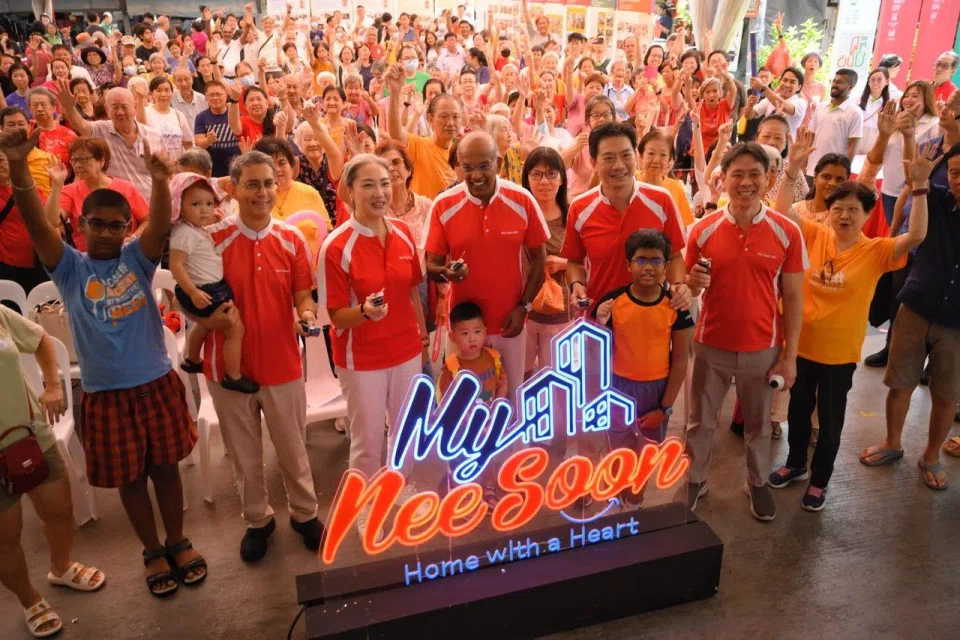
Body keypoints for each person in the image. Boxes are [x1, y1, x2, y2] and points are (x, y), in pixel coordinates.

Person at [2, 128, 207, 597]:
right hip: (105, 394)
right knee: (131, 480)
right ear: (82, 225)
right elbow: (36, 226)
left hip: (155, 382)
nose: (109, 232)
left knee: (166, 470)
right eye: (98, 223)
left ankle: (178, 539)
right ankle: (153, 549)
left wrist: (159, 182)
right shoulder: (69, 267)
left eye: (117, 225)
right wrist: (18, 166)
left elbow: (157, 227)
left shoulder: (137, 258)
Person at [770, 130, 932, 510]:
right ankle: (796, 466)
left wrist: (920, 188)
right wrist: (792, 167)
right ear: (828, 211)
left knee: (828, 420)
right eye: (837, 208)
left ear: (867, 215)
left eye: (853, 210)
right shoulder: (814, 235)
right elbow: (783, 212)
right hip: (800, 346)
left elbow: (918, 235)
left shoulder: (877, 252)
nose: (843, 215)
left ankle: (820, 480)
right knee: (796, 411)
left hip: (839, 355)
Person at [198, 151, 324, 562]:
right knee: (245, 456)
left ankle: (305, 514)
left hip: (283, 363)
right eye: (252, 184)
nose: (263, 192)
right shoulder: (211, 240)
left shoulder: (291, 240)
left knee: (293, 448)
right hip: (227, 369)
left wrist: (305, 314)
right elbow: (190, 297)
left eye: (268, 183)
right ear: (233, 190)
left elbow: (303, 295)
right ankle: (258, 520)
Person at [684, 142, 807, 522]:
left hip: (762, 348)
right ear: (723, 180)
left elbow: (794, 299)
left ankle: (757, 482)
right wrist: (691, 281)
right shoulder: (702, 230)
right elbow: (688, 286)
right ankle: (694, 478)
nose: (746, 182)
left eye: (755, 173)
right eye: (737, 174)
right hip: (710, 344)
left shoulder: (787, 232)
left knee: (758, 424)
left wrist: (789, 358)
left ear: (768, 179)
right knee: (700, 421)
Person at [318, 154, 429, 535]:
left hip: (406, 350)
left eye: (385, 183)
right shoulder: (336, 247)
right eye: (368, 185)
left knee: (405, 428)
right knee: (367, 440)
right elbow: (334, 316)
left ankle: (399, 486)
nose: (380, 192)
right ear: (348, 193)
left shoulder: (401, 233)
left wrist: (423, 334)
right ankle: (364, 505)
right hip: (360, 357)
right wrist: (363, 313)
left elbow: (412, 289)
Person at [0, 305, 106, 638]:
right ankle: (29, 599)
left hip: (30, 436)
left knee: (60, 510)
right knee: (5, 538)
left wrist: (53, 385)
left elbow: (41, 339)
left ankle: (61, 567)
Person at [859, 145, 960, 490]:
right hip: (916, 305)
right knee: (899, 382)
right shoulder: (936, 198)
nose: (959, 180)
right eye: (956, 172)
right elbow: (908, 205)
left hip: (957, 322)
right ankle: (892, 442)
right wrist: (914, 180)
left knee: (946, 394)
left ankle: (931, 456)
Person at [424, 131, 550, 399]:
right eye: (467, 167)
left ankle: (512, 444)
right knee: (460, 402)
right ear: (458, 166)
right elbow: (431, 265)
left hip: (510, 323)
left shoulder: (522, 200)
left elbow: (540, 261)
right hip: (462, 328)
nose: (476, 175)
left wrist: (524, 308)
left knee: (511, 398)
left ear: (499, 164)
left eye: (484, 165)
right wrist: (446, 272)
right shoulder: (443, 205)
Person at [593, 229, 694, 507]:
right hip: (618, 388)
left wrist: (665, 408)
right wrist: (599, 323)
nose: (648, 267)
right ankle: (617, 495)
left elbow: (681, 360)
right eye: (640, 260)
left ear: (665, 266)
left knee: (646, 453)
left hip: (656, 390)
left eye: (656, 260)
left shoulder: (675, 307)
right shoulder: (613, 302)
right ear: (628, 265)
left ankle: (635, 501)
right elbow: (592, 350)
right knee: (617, 449)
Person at [562, 122, 690, 316]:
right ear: (594, 163)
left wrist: (678, 285)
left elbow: (674, 256)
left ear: (636, 158)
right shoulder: (580, 208)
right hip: (600, 318)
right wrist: (576, 284)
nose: (619, 165)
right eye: (609, 158)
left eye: (626, 155)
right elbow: (574, 261)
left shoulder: (661, 201)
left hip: (651, 317)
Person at [167, 172, 257, 394]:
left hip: (209, 288)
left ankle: (191, 359)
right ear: (179, 206)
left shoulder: (194, 229)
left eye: (209, 203)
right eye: (196, 204)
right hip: (205, 290)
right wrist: (193, 292)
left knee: (205, 324)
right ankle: (233, 375)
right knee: (235, 329)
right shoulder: (184, 233)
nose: (204, 209)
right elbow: (176, 265)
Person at [436, 300, 507, 506]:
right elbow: (448, 399)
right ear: (452, 337)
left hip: (487, 421)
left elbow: (503, 382)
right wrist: (466, 419)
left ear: (485, 332)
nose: (472, 338)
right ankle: (462, 491)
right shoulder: (452, 366)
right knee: (460, 459)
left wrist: (497, 407)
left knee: (488, 455)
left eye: (477, 332)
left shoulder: (493, 357)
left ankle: (488, 487)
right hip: (462, 426)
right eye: (464, 333)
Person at [54, 83, 164, 201]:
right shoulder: (100, 130)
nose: (120, 112)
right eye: (115, 107)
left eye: (124, 107)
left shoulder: (154, 135)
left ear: (135, 108)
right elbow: (80, 124)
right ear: (107, 109)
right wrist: (70, 108)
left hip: (151, 204)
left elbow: (165, 172)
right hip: (115, 207)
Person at [521, 148, 570, 378]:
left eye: (551, 174)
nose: (544, 181)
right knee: (522, 375)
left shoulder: (572, 215)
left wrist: (565, 263)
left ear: (562, 178)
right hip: (524, 312)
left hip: (561, 312)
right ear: (526, 178)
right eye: (536, 174)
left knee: (557, 379)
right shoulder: (519, 214)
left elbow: (591, 260)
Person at [53, 137, 149, 252]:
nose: (78, 165)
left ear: (102, 161)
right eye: (74, 160)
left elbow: (148, 221)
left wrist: (132, 239)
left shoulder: (127, 188)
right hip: (87, 259)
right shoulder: (70, 190)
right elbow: (53, 221)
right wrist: (56, 185)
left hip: (124, 255)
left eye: (84, 159)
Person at [868, 83, 941, 224]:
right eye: (906, 95)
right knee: (892, 229)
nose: (908, 100)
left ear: (927, 99)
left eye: (915, 96)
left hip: (914, 191)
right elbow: (880, 155)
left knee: (908, 234)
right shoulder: (894, 120)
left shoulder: (933, 124)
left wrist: (910, 135)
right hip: (889, 188)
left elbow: (934, 158)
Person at [386, 62, 461, 199]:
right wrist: (395, 92)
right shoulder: (419, 145)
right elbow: (395, 133)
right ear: (430, 119)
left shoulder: (462, 152)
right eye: (443, 116)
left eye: (456, 117)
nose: (450, 123)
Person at [253, 137, 331, 260]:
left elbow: (326, 232)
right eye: (270, 164)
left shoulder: (310, 193)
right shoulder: (253, 198)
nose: (277, 169)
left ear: (291, 165)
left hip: (311, 269)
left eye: (282, 163)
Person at [805, 69, 863, 189]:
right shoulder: (821, 106)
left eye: (841, 82)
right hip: (812, 170)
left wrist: (844, 172)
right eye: (834, 81)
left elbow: (853, 146)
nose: (835, 85)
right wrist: (804, 162)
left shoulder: (855, 112)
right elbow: (811, 136)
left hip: (833, 175)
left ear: (851, 87)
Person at [292, 104, 345, 225]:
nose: (313, 143)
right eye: (307, 139)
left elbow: (334, 154)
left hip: (332, 226)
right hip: (303, 227)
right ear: (299, 143)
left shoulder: (333, 163)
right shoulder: (295, 164)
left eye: (317, 138)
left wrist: (315, 123)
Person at [193, 80, 240, 178]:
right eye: (211, 95)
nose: (215, 98)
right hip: (213, 169)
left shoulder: (235, 112)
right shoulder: (201, 117)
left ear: (226, 95)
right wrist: (207, 140)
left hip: (237, 166)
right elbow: (198, 144)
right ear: (206, 97)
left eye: (219, 94)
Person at [141, 77, 193, 161]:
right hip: (155, 168)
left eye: (167, 90)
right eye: (158, 90)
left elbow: (188, 144)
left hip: (176, 167)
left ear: (172, 92)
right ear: (151, 93)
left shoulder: (179, 115)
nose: (163, 94)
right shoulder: (146, 113)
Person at [746, 67, 806, 136]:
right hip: (766, 143)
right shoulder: (770, 98)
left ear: (799, 87)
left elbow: (783, 106)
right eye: (785, 80)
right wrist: (750, 104)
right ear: (780, 81)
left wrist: (762, 87)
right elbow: (749, 115)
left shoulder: (800, 103)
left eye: (792, 82)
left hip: (786, 145)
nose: (787, 85)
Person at [27, 88, 75, 166]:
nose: (39, 109)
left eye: (43, 104)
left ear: (54, 108)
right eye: (35, 105)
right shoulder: (25, 132)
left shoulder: (68, 135)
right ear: (30, 108)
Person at [859, 68, 891, 153]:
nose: (875, 83)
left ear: (887, 82)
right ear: (868, 82)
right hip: (857, 136)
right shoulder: (856, 100)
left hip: (876, 140)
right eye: (872, 79)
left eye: (879, 79)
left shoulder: (890, 105)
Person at [170, 68, 208, 134]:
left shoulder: (202, 99)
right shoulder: (170, 99)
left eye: (187, 79)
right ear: (174, 82)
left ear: (192, 79)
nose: (184, 84)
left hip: (200, 140)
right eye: (179, 80)